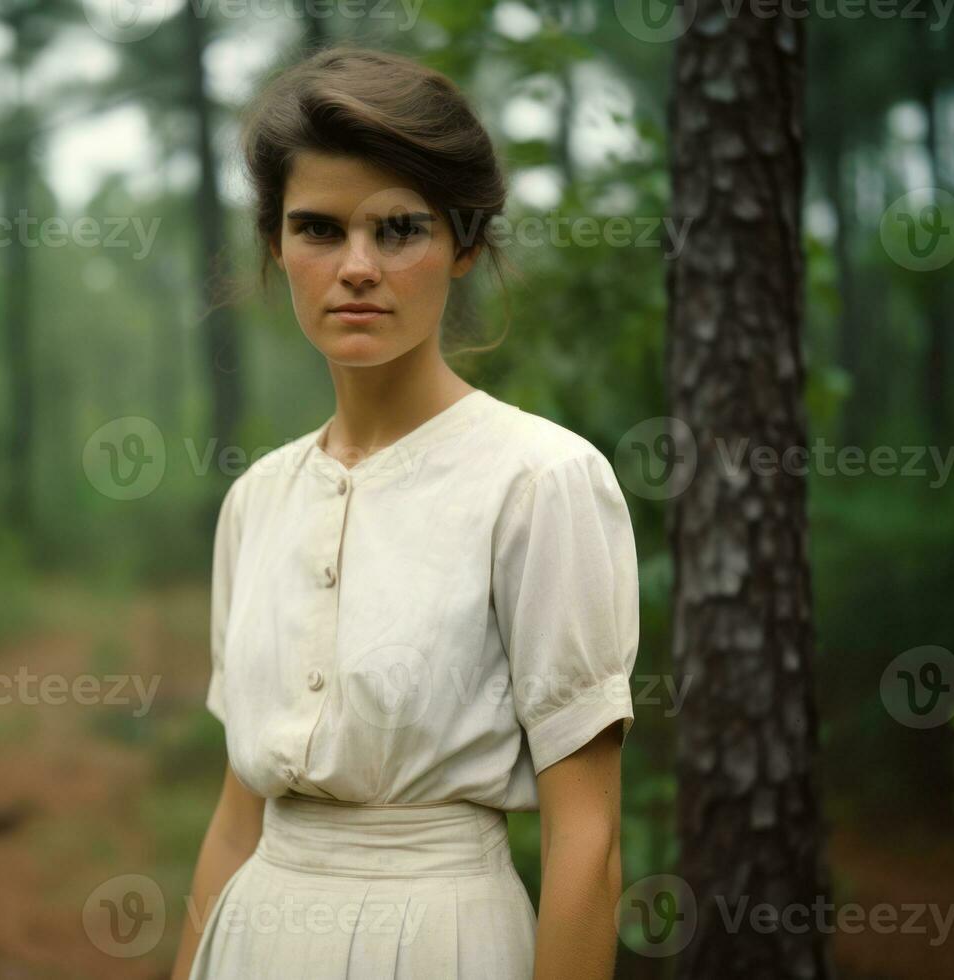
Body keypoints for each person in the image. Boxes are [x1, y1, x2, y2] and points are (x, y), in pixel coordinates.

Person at [169, 44, 639, 980]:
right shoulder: (257, 500)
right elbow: (237, 817)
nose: (356, 267)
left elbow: (587, 841)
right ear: (275, 244)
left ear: (463, 243)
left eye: (399, 229)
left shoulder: (539, 481)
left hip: (444, 942)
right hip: (253, 938)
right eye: (318, 228)